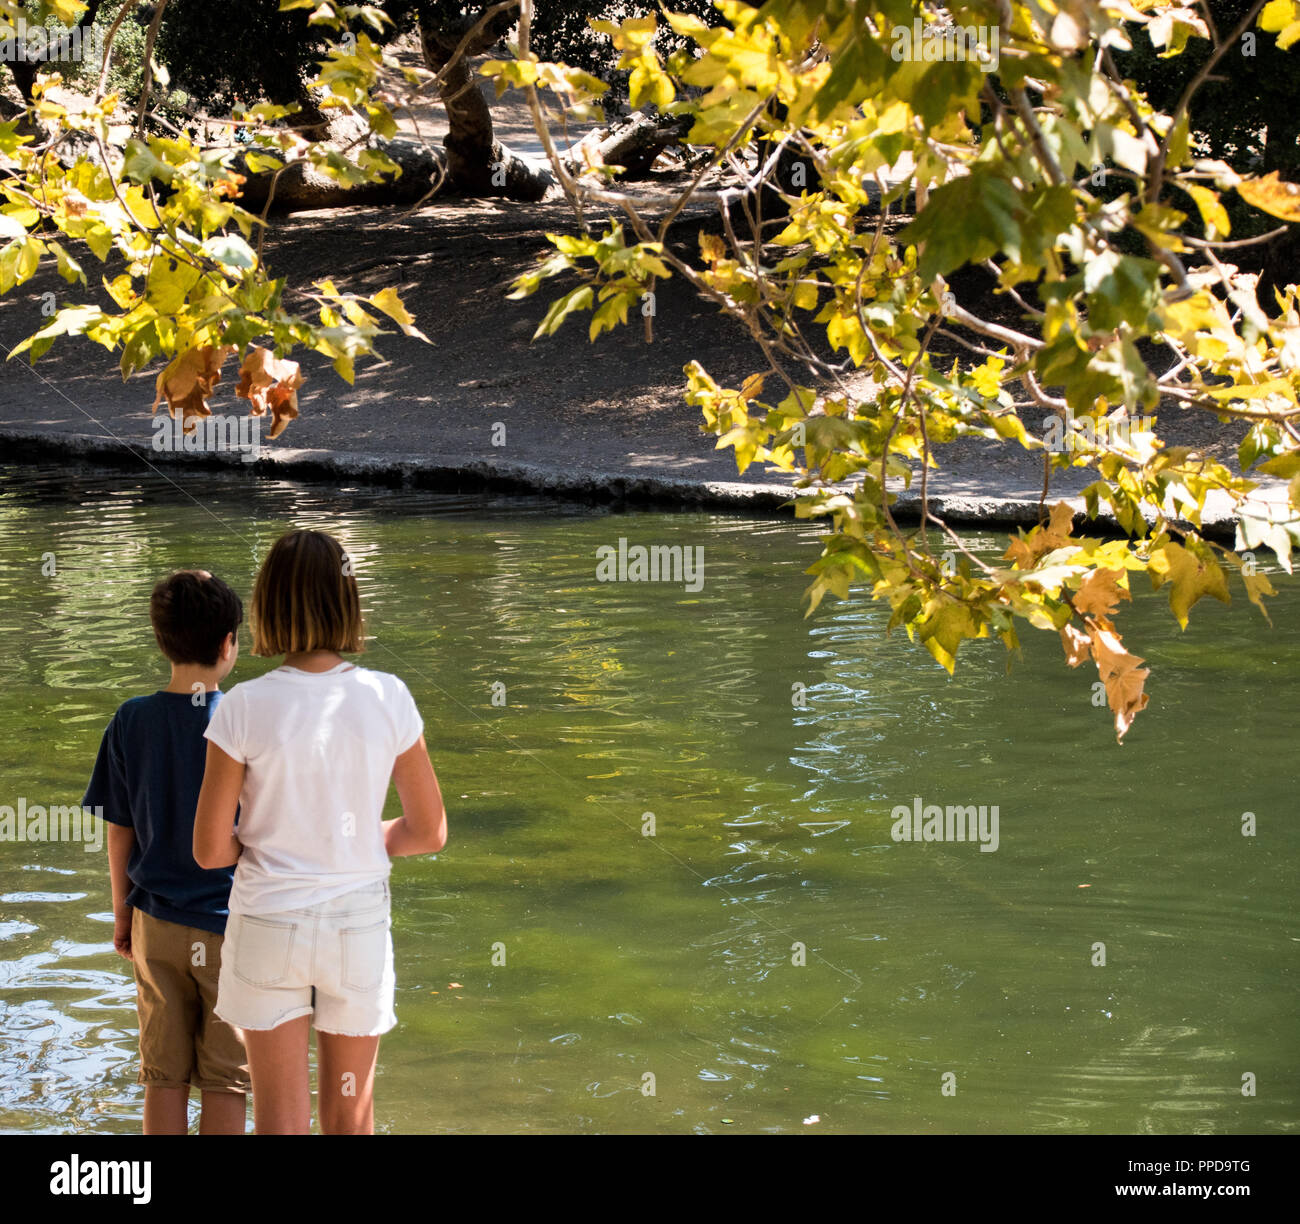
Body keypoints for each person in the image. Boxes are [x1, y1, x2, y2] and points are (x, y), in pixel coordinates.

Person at [194, 529, 446, 1134]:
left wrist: (265, 839)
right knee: (349, 1116)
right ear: (350, 602)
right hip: (355, 926)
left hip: (268, 923)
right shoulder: (389, 696)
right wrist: (362, 840)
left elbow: (208, 850)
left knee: (281, 1123)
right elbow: (429, 831)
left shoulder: (243, 706)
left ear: (268, 605)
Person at [85, 569, 250, 1135]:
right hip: (232, 928)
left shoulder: (132, 719)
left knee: (163, 1075)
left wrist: (122, 911)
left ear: (160, 639)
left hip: (156, 922)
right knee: (227, 1079)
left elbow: (119, 828)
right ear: (230, 643)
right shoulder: (242, 721)